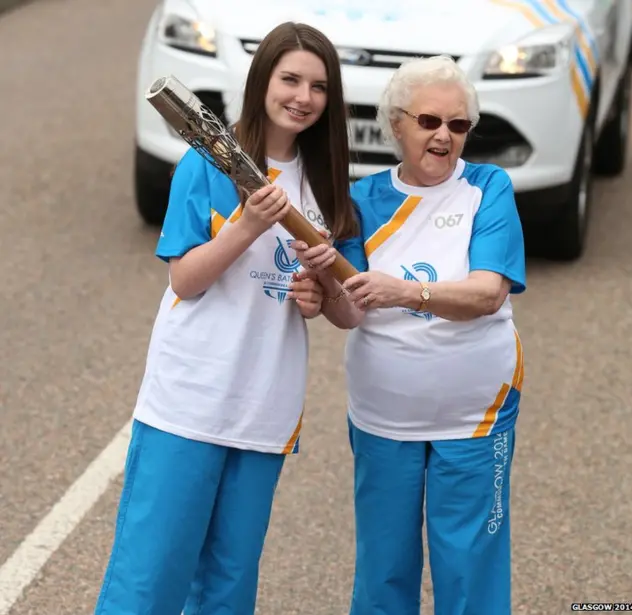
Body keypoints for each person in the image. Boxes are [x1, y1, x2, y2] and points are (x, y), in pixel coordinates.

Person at [93, 21, 360, 615]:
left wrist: (321, 291)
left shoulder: (330, 182)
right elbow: (185, 280)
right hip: (188, 401)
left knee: (228, 587)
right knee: (150, 579)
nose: (302, 97)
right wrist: (248, 226)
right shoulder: (207, 162)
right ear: (262, 80)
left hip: (264, 410)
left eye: (318, 87)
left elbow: (349, 311)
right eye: (289, 79)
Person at [293, 55, 526, 615]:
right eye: (428, 122)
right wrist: (322, 285)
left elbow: (487, 294)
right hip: (384, 417)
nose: (444, 137)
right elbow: (349, 314)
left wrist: (407, 292)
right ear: (396, 123)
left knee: (470, 571)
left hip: (476, 414)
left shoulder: (487, 188)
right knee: (384, 571)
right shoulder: (361, 201)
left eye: (458, 125)